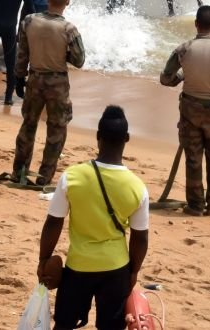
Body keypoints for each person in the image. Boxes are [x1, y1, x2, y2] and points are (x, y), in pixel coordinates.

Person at [38, 106, 150, 330]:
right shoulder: (137, 187)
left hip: (79, 266)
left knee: (64, 324)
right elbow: (140, 238)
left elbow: (53, 223)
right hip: (116, 268)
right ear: (126, 139)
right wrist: (134, 271)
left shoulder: (72, 177)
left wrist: (44, 259)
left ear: (98, 137)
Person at [159, 5, 210, 217]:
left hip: (190, 110)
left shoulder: (183, 49)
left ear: (196, 24)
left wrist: (183, 77)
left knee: (193, 157)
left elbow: (165, 79)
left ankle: (195, 205)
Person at [10, 0, 86, 186]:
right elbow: (79, 60)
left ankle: (19, 172)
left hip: (35, 79)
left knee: (28, 126)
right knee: (56, 130)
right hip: (57, 83)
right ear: (67, 3)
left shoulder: (29, 21)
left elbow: (22, 53)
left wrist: (18, 78)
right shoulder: (69, 29)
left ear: (47, 0)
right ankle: (44, 177)